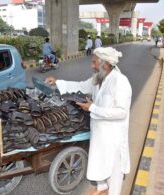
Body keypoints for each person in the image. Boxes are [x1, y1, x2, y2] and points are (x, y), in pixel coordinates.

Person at [45, 47, 132, 195]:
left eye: (94, 62)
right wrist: (57, 82)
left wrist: (92, 108)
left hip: (113, 135)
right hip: (99, 130)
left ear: (105, 63)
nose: (91, 66)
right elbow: (80, 86)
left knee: (113, 166)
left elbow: (122, 113)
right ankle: (102, 186)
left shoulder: (120, 82)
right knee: (99, 159)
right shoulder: (99, 78)